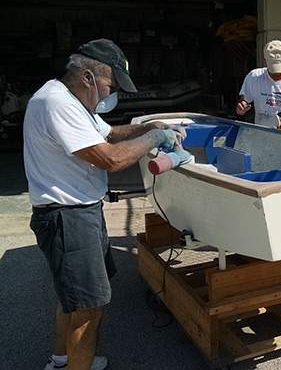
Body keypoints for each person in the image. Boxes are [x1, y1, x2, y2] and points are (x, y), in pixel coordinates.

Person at [23, 39, 186, 370]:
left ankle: (61, 361)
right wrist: (154, 140)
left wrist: (148, 127)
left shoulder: (72, 101)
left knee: (74, 300)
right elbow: (109, 159)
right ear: (87, 77)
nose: (113, 95)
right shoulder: (58, 103)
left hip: (80, 211)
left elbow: (110, 134)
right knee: (88, 307)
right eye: (110, 86)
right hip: (68, 217)